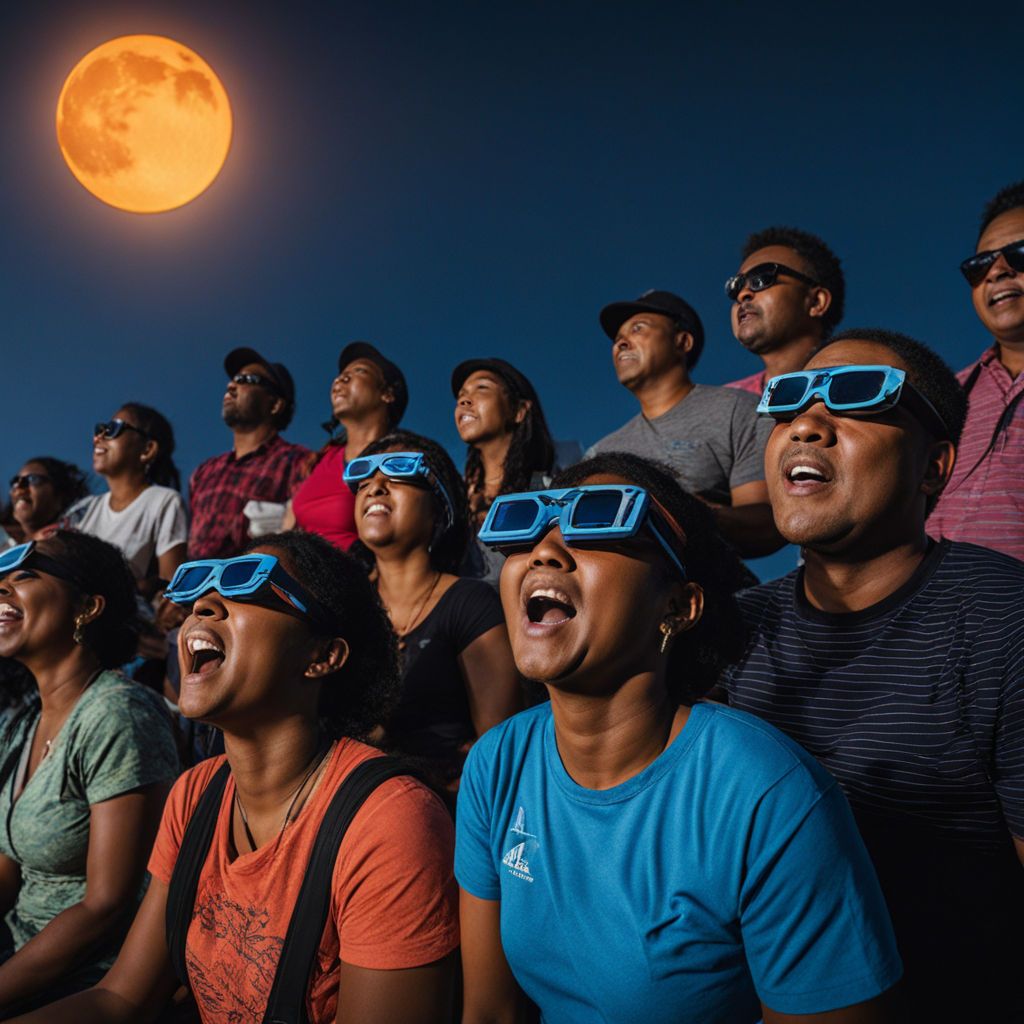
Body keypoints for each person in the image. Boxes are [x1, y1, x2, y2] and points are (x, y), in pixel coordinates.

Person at [457, 452, 901, 1024]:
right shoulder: (498, 763)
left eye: (598, 520)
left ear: (678, 606)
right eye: (531, 528)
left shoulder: (768, 795)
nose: (545, 551)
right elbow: (489, 1012)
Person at [12, 531, 459, 1023]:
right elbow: (121, 997)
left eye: (246, 582)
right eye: (200, 589)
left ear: (323, 656)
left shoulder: (389, 822)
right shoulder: (196, 793)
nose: (204, 605)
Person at [721, 328, 1024, 1021]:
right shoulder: (730, 634)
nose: (808, 424)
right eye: (789, 399)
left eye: (858, 395)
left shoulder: (1007, 623)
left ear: (934, 467)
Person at [0, 532, 178, 1014]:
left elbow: (106, 907)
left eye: (24, 574)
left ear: (87, 607)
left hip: (84, 983)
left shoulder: (117, 713)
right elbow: (7, 873)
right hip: (19, 956)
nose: (1, 587)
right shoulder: (26, 723)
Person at [348, 431, 522, 788]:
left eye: (399, 473)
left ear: (439, 508)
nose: (375, 487)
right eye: (364, 479)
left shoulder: (471, 603)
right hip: (345, 814)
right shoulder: (339, 607)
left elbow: (501, 757)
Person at [588, 289, 782, 557]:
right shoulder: (600, 453)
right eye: (618, 339)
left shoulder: (738, 409)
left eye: (638, 329)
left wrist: (688, 511)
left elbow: (768, 523)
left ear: (683, 341)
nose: (620, 344)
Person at [928, 179, 1024, 561]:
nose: (997, 271)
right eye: (980, 264)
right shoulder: (946, 394)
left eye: (1019, 253)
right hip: (927, 614)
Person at [282, 341, 408, 550]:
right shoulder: (320, 460)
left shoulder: (402, 459)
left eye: (359, 371)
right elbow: (288, 528)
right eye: (341, 374)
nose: (341, 378)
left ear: (387, 394)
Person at [187, 347, 310, 561]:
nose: (231, 386)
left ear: (275, 404)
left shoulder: (298, 462)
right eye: (234, 379)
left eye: (248, 379)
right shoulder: (204, 471)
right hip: (197, 590)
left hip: (253, 587)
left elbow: (305, 538)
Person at [66, 404, 187, 596]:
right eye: (99, 430)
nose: (98, 437)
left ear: (147, 449)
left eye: (113, 429)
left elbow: (171, 588)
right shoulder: (86, 509)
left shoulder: (164, 501)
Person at [453, 358, 555, 584]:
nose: (463, 400)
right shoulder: (452, 497)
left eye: (482, 387)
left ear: (518, 410)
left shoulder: (549, 488)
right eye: (461, 394)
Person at [725, 225, 845, 395]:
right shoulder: (726, 402)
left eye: (762, 278)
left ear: (816, 302)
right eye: (735, 287)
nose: (742, 294)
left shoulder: (859, 388)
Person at [8, 459, 88, 543]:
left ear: (59, 498)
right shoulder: (6, 544)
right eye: (15, 481)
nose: (19, 488)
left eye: (33, 479)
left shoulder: (70, 541)